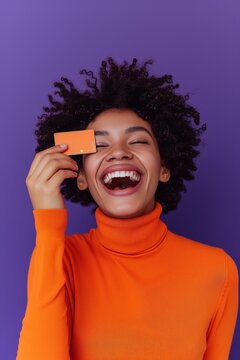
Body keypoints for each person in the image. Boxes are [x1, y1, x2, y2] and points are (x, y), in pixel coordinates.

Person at [16, 57, 238, 359]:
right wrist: (48, 224)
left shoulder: (218, 270)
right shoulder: (59, 258)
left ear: (164, 167)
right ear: (80, 176)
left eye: (137, 140)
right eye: (100, 145)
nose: (119, 152)